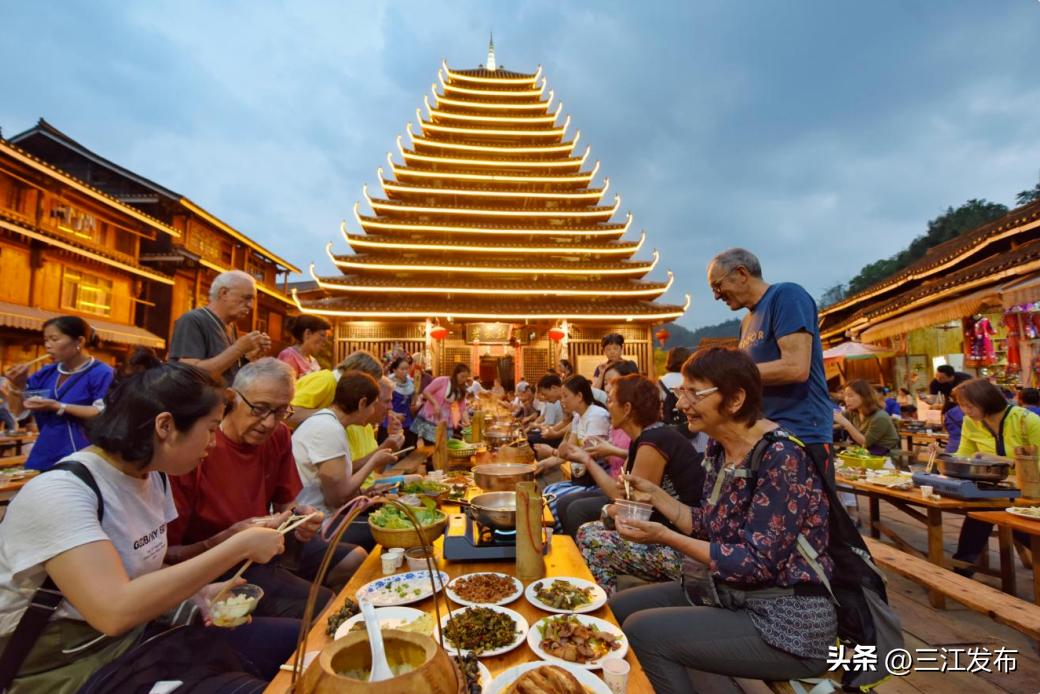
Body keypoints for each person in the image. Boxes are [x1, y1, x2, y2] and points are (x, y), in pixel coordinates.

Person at [0, 362, 295, 691]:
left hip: (140, 639)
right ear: (165, 426)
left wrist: (199, 592)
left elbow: (149, 562)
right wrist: (237, 547)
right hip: (71, 667)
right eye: (210, 429)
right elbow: (113, 612)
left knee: (300, 642)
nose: (213, 443)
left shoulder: (153, 477)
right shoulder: (63, 492)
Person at [607, 348, 835, 691]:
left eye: (693, 393)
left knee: (644, 633)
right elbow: (708, 523)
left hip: (786, 620)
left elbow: (755, 562)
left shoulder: (781, 456)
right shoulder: (719, 449)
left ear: (734, 400)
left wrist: (664, 536)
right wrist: (656, 496)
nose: (680, 404)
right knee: (616, 608)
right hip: (726, 594)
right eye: (681, 391)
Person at [166, 359, 367, 617]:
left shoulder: (279, 436)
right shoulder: (196, 449)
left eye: (281, 411)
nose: (269, 423)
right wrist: (230, 538)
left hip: (267, 544)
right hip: (215, 562)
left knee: (355, 560)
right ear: (232, 398)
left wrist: (300, 516)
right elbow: (168, 556)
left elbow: (286, 504)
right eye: (259, 409)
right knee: (325, 606)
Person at [708, 248, 833, 477]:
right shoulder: (746, 322)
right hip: (765, 435)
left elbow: (796, 367)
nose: (717, 295)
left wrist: (727, 374)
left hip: (801, 434)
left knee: (810, 511)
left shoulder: (786, 296)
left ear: (742, 273)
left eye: (718, 286)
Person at [575, 372, 706, 592]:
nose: (607, 408)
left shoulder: (654, 441)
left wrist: (608, 510)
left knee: (589, 536)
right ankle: (606, 596)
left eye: (610, 401)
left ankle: (603, 609)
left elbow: (631, 509)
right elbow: (622, 496)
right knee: (588, 529)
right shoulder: (646, 438)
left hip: (683, 549)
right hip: (667, 534)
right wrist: (588, 460)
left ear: (626, 408)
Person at [291, 371, 397, 550]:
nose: (373, 412)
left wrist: (365, 492)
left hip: (322, 517)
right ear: (362, 403)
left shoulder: (329, 424)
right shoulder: (328, 428)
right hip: (312, 525)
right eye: (373, 405)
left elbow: (339, 485)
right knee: (388, 533)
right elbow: (338, 498)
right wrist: (373, 461)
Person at [949, 379, 1039, 575]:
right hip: (998, 491)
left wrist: (1004, 461)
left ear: (986, 400)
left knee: (994, 515)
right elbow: (964, 454)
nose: (965, 411)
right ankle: (962, 567)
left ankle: (962, 567)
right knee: (983, 511)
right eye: (962, 406)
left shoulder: (1026, 421)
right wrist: (943, 455)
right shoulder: (971, 423)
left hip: (1031, 492)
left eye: (969, 406)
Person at [3, 316, 114, 471]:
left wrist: (58, 406)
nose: (48, 346)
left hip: (83, 457)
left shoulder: (101, 373)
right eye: (46, 340)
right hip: (46, 454)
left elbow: (102, 412)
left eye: (54, 339)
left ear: (79, 342)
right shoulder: (46, 372)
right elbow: (18, 411)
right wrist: (17, 384)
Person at [169, 270, 270, 385]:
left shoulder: (231, 327)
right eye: (247, 298)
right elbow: (188, 374)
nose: (251, 305)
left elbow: (227, 373)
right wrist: (238, 349)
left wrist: (249, 357)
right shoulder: (192, 320)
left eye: (252, 300)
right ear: (224, 293)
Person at [832, 380, 900, 455]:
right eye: (845, 396)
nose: (846, 399)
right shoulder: (853, 412)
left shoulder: (880, 416)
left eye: (850, 395)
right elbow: (833, 419)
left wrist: (847, 424)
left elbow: (865, 442)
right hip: (865, 455)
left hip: (885, 459)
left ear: (864, 396)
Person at [411, 363, 470, 443]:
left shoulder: (461, 388)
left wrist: (467, 423)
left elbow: (462, 408)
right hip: (432, 416)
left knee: (442, 444)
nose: (464, 379)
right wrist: (435, 404)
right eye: (462, 376)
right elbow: (426, 392)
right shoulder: (442, 380)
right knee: (429, 443)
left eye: (466, 377)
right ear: (456, 373)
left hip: (446, 419)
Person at [527, 373, 566, 447]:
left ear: (553, 388)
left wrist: (555, 434)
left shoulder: (559, 402)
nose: (545, 398)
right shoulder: (560, 401)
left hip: (562, 437)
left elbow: (572, 423)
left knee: (529, 440)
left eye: (544, 394)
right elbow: (566, 421)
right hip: (561, 434)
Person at [387, 357, 417, 447]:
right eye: (402, 369)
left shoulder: (411, 383)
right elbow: (382, 405)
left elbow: (412, 403)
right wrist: (394, 415)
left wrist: (415, 401)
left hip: (407, 421)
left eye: (407, 368)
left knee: (409, 449)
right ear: (394, 370)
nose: (405, 371)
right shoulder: (388, 383)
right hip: (390, 421)